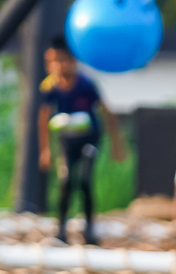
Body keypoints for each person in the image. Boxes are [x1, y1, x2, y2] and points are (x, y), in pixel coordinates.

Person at [37, 38, 128, 247]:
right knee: (66, 181)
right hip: (67, 140)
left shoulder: (86, 85)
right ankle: (61, 228)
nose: (57, 66)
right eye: (51, 62)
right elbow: (43, 117)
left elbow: (107, 112)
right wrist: (45, 149)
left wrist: (117, 145)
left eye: (61, 60)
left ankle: (89, 229)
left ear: (73, 61)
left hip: (89, 138)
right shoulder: (50, 87)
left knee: (85, 180)